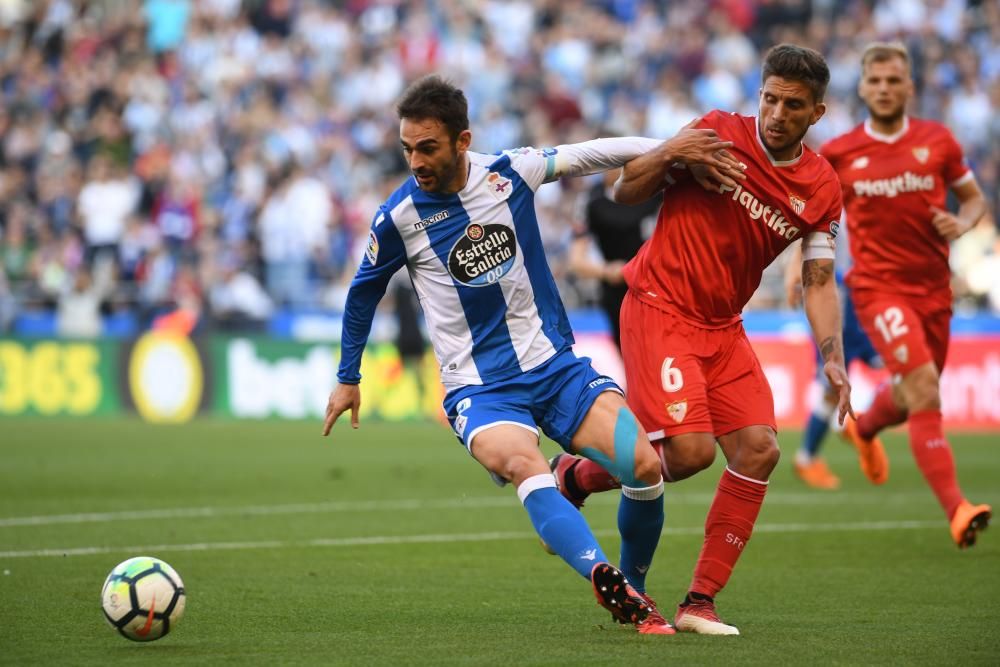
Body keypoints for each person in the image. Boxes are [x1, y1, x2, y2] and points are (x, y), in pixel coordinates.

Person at [321, 75, 744, 634]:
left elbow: (590, 154)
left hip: (555, 369)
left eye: (427, 147)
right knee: (524, 463)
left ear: (462, 140)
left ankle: (636, 593)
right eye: (407, 148)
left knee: (643, 465)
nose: (415, 161)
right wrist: (348, 376)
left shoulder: (508, 172)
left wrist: (669, 148)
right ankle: (603, 578)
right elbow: (362, 292)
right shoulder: (399, 216)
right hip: (479, 387)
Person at [551, 44, 853, 635]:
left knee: (760, 450)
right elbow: (624, 191)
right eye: (769, 98)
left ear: (816, 113)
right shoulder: (715, 131)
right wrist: (671, 150)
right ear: (759, 93)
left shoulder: (820, 186)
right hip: (660, 307)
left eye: (793, 105)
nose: (776, 113)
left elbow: (819, 281)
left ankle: (699, 601)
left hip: (723, 328)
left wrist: (833, 359)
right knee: (688, 454)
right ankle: (579, 479)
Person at [822, 42, 990, 547]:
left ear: (909, 86)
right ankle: (957, 509)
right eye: (875, 81)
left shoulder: (938, 141)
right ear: (864, 87)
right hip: (877, 289)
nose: (885, 89)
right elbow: (813, 214)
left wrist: (963, 223)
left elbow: (975, 198)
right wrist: (798, 270)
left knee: (914, 389)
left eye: (894, 80)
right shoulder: (841, 151)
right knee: (924, 388)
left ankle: (865, 427)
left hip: (935, 292)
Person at [783, 238, 883, 490]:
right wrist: (796, 267)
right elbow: (811, 233)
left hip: (862, 299)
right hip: (836, 297)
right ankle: (813, 454)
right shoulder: (837, 205)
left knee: (898, 364)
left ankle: (858, 429)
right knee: (832, 386)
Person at [568, 168, 660, 351]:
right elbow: (576, 261)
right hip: (617, 291)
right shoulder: (590, 200)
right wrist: (607, 271)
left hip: (655, 285)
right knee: (629, 353)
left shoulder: (656, 190)